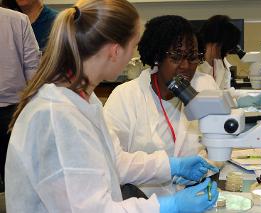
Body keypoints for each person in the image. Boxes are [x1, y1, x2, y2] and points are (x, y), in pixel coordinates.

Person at [5, 1, 219, 212]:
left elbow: (112, 161)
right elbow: (91, 210)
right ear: (115, 51)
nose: (133, 57)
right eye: (133, 47)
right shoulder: (58, 115)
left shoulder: (83, 98)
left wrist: (172, 166)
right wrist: (168, 206)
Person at [103, 15, 219, 197]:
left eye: (192, 57)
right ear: (157, 56)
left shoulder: (205, 87)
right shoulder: (125, 96)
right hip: (141, 202)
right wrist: (171, 167)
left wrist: (205, 167)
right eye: (176, 57)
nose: (186, 66)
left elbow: (219, 146)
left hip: (195, 197)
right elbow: (111, 163)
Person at [0, 6, 40, 188]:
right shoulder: (19, 20)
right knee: (18, 185)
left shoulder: (19, 20)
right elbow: (33, 69)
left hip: (15, 113)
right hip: (15, 114)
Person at [197, 15, 241, 90]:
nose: (227, 54)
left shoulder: (222, 63)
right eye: (226, 49)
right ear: (216, 45)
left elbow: (225, 91)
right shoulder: (194, 66)